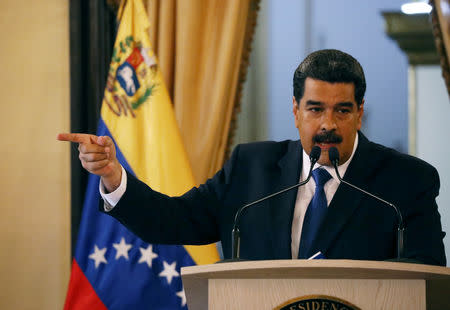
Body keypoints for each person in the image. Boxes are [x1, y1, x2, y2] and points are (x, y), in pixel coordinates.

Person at [58, 49, 446, 266]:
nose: (328, 124)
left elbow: (426, 282)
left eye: (342, 110)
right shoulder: (252, 168)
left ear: (360, 111)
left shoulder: (405, 181)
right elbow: (172, 222)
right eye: (315, 109)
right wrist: (113, 176)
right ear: (295, 110)